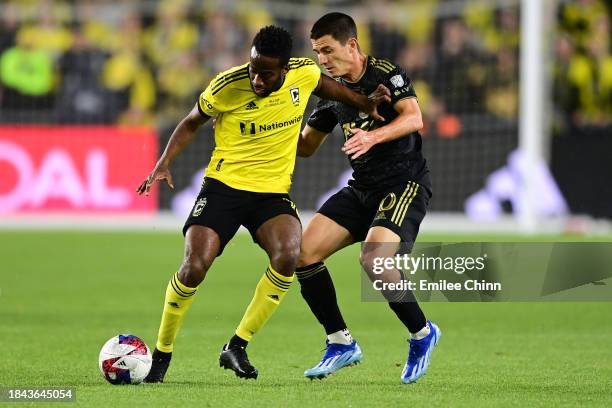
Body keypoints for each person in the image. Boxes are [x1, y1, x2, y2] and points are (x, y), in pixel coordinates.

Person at [137, 25, 390, 383]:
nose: (256, 78)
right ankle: (162, 354)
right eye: (253, 68)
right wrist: (164, 162)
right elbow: (192, 122)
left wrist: (364, 102)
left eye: (266, 73)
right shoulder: (227, 85)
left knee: (289, 254)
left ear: (285, 70)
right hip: (223, 187)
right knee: (194, 265)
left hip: (271, 193)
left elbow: (325, 85)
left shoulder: (303, 72)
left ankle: (236, 346)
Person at [296, 13, 441, 384]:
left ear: (352, 45)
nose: (322, 60)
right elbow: (305, 147)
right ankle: (340, 342)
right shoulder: (331, 92)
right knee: (303, 254)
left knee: (374, 260)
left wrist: (372, 137)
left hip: (403, 183)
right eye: (316, 53)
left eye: (328, 50)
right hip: (362, 188)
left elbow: (414, 118)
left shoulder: (385, 73)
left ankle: (422, 334)